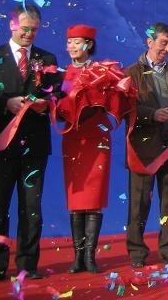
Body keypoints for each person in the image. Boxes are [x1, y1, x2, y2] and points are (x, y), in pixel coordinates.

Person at [0, 4, 62, 281]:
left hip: (35, 145)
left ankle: (27, 264)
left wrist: (47, 103)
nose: (29, 34)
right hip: (2, 144)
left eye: (34, 30)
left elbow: (57, 93)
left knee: (31, 207)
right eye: (25, 29)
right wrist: (6, 103)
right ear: (12, 25)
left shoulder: (46, 58)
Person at [56, 24, 128, 273]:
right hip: (73, 138)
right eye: (69, 42)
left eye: (77, 42)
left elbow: (115, 101)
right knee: (76, 196)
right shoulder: (62, 74)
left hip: (97, 138)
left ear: (88, 45)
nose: (72, 47)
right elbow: (57, 105)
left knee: (94, 195)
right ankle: (78, 257)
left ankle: (90, 256)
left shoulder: (102, 72)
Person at [124, 22, 168, 267]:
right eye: (163, 43)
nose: (167, 49)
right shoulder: (131, 73)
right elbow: (126, 108)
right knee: (139, 203)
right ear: (149, 42)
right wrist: (151, 115)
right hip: (143, 149)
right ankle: (136, 252)